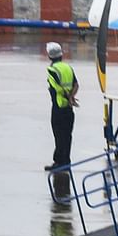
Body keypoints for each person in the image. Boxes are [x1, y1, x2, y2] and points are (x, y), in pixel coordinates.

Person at [46, 41, 79, 171]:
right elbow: (76, 85)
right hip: (69, 109)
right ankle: (66, 161)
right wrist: (72, 97)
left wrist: (68, 97)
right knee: (67, 135)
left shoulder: (52, 70)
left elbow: (58, 88)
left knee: (59, 135)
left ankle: (59, 162)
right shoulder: (68, 68)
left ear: (50, 56)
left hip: (59, 107)